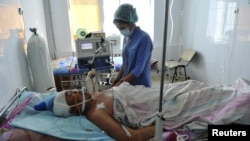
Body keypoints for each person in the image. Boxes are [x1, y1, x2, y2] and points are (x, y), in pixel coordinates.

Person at [49, 77, 250, 141]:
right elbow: (130, 137)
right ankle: (242, 101)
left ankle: (234, 93)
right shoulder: (95, 113)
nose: (74, 90)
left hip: (158, 93)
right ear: (73, 110)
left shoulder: (95, 97)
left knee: (193, 85)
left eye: (69, 90)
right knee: (202, 98)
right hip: (161, 106)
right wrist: (163, 128)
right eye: (70, 95)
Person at [112, 3, 153, 87]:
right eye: (119, 29)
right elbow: (125, 63)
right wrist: (118, 78)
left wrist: (121, 82)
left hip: (140, 85)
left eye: (122, 28)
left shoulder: (144, 38)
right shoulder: (126, 38)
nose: (121, 31)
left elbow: (138, 69)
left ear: (131, 24)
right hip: (127, 83)